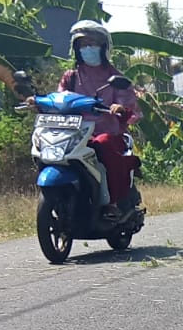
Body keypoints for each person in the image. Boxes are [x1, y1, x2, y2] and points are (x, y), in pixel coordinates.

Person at [58, 20, 141, 220]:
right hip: (76, 133)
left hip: (108, 133)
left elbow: (128, 103)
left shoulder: (115, 76)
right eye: (83, 44)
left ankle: (111, 202)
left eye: (92, 43)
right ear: (76, 48)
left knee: (103, 145)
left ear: (103, 47)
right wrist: (37, 101)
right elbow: (60, 98)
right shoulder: (70, 77)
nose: (88, 48)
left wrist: (120, 107)